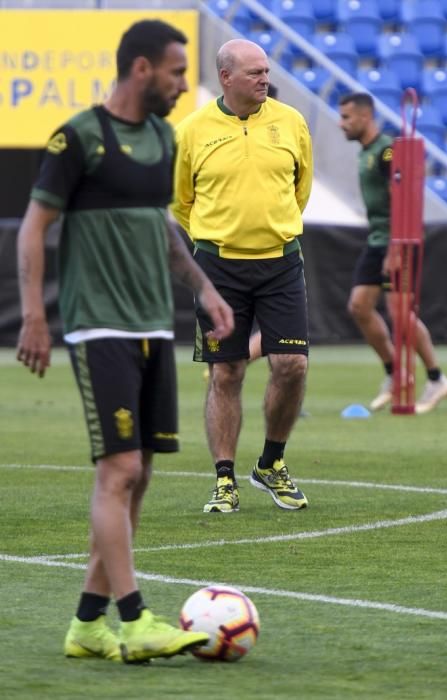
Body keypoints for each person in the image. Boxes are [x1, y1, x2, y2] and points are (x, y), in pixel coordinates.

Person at [16, 19, 233, 664]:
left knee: (140, 477)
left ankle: (87, 624)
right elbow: (32, 229)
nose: (179, 83)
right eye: (174, 71)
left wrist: (204, 287)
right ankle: (134, 618)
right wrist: (35, 314)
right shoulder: (79, 136)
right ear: (141, 68)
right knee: (121, 469)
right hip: (99, 324)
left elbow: (161, 227)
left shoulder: (164, 138)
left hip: (150, 326)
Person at [171, 39, 313, 513]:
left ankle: (271, 463)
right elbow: (180, 201)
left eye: (266, 71)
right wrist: (214, 241)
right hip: (218, 267)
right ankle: (224, 479)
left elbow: (301, 187)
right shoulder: (192, 130)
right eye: (254, 72)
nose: (264, 80)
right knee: (227, 371)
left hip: (281, 261)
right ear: (226, 77)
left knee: (292, 366)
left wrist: (271, 226)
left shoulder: (291, 122)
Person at [338, 92, 447, 414]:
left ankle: (435, 378)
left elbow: (402, 200)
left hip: (397, 241)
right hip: (377, 240)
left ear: (365, 116)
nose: (340, 123)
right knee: (359, 306)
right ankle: (395, 373)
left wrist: (395, 249)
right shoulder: (366, 152)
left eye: (346, 117)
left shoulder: (388, 152)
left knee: (401, 315)